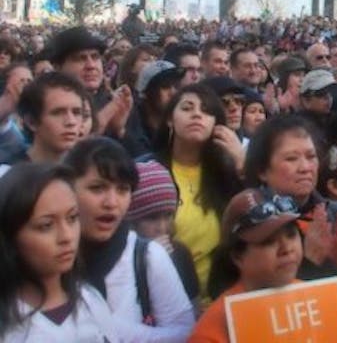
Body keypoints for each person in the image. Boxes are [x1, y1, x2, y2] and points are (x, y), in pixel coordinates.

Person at [243, 115, 337, 333]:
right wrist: (309, 262)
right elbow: (242, 303)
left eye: (311, 157)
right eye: (291, 159)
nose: (305, 167)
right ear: (262, 170)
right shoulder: (248, 220)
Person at [188, 189, 337, 343]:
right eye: (268, 241)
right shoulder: (214, 328)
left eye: (291, 234)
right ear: (237, 257)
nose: (286, 248)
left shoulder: (318, 302)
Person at [64, 137, 195, 342]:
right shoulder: (47, 259)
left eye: (123, 190)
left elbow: (184, 334)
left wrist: (106, 326)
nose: (111, 202)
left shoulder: (146, 255)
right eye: (97, 188)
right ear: (68, 189)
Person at [0, 162, 117, 342]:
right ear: (10, 236)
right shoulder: (9, 325)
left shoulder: (90, 300)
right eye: (46, 226)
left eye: (72, 218)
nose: (66, 236)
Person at [146, 84, 242, 300]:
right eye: (187, 108)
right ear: (170, 120)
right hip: (168, 301)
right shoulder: (149, 171)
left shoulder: (226, 172)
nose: (197, 114)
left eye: (206, 111)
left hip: (224, 298)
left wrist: (242, 163)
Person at [127, 159, 200, 306]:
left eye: (168, 216)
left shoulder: (180, 254)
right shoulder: (119, 262)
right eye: (151, 218)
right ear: (131, 222)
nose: (162, 227)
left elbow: (192, 311)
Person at [0, 72, 87, 172]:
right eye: (57, 113)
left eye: (76, 112)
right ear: (31, 122)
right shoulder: (7, 175)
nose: (71, 122)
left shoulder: (88, 173)